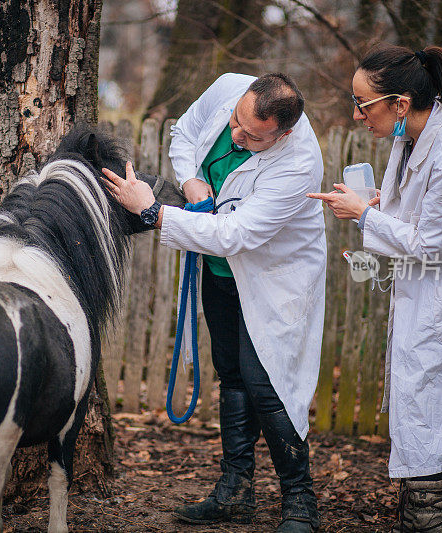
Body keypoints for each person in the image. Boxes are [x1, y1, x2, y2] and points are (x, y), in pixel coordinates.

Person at [103, 73, 326, 533]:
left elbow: (236, 235)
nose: (237, 136)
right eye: (236, 122)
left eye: (253, 136)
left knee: (268, 383)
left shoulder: (299, 161)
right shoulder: (230, 87)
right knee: (232, 374)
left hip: (272, 276)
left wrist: (153, 211)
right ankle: (235, 491)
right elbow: (184, 131)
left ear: (282, 135)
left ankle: (300, 501)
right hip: (220, 270)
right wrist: (189, 180)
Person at [308, 45, 442, 532]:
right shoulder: (410, 138)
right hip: (425, 294)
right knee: (421, 406)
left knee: (430, 409)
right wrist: (378, 205)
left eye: (363, 104)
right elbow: (418, 216)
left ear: (399, 103)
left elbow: (432, 246)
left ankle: (431, 520)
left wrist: (365, 215)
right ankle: (418, 517)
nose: (357, 115)